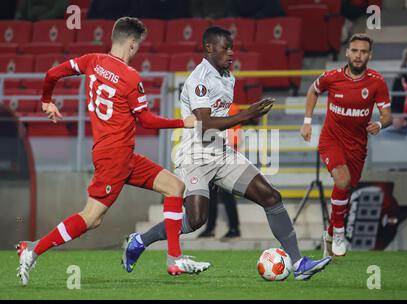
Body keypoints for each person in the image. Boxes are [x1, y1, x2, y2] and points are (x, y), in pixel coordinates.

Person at [123, 26, 332, 281]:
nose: (231, 53)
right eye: (226, 47)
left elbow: (222, 118)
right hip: (195, 155)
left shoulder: (227, 76)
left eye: (232, 47)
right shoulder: (199, 79)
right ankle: (140, 241)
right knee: (196, 219)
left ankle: (299, 263)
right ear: (209, 47)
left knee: (271, 196)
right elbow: (204, 124)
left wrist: (250, 118)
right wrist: (246, 114)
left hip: (221, 153)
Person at [16, 17, 210, 286]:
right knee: (91, 218)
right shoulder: (131, 78)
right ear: (132, 43)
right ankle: (33, 249)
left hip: (120, 155)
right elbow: (147, 121)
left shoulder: (91, 60)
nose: (138, 49)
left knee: (175, 187)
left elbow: (51, 75)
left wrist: (46, 101)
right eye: (138, 45)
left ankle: (174, 259)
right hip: (115, 158)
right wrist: (183, 122)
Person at [301, 33, 393, 258]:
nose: (358, 55)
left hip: (357, 147)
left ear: (369, 55)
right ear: (347, 52)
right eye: (354, 50)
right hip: (331, 140)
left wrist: (380, 124)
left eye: (363, 51)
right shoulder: (331, 77)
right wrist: (307, 122)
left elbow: (388, 115)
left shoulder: (376, 82)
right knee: (342, 180)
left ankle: (330, 235)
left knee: (345, 192)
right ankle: (340, 233)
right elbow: (313, 90)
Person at [198, 103, 242, 239]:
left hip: (223, 154)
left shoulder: (229, 107)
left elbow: (233, 134)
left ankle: (232, 227)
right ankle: (215, 227)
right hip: (213, 153)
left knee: (225, 193)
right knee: (213, 194)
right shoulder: (216, 107)